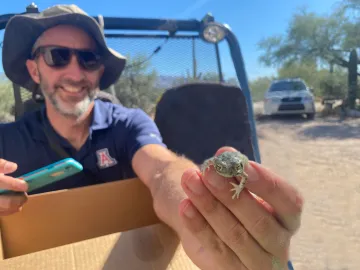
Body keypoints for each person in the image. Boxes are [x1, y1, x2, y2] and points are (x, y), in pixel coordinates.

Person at [0, 4, 301, 270]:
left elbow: (162, 169)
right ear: (34, 70)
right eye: (58, 56)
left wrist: (201, 219)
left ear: (99, 71)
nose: (75, 73)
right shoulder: (7, 141)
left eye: (89, 59)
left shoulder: (128, 124)